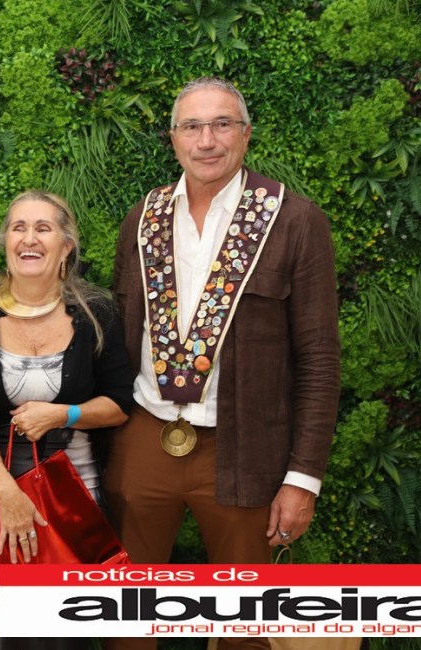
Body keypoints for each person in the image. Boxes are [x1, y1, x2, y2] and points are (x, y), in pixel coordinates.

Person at [103, 77, 341, 650]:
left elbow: (319, 360)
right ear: (173, 138)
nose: (206, 140)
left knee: (243, 626)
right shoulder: (144, 217)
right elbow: (119, 331)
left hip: (244, 451)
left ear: (246, 134)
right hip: (145, 438)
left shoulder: (292, 219)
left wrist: (302, 479)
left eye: (221, 124)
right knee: (125, 618)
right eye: (192, 126)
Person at [0, 190, 133, 650]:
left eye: (43, 228)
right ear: (6, 242)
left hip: (74, 504)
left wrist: (63, 414)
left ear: (66, 246)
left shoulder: (97, 313)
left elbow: (119, 404)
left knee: (61, 642)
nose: (29, 239)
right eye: (19, 228)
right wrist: (7, 491)